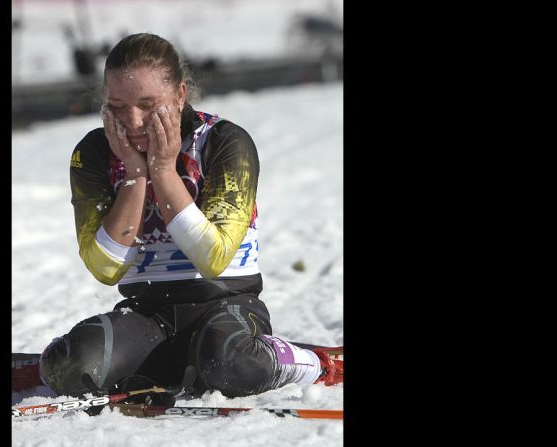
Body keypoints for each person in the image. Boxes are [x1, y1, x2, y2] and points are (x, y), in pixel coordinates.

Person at [36, 33, 342, 398]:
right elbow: (105, 268)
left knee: (228, 364)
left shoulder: (225, 142)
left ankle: (306, 361)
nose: (133, 122)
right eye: (117, 107)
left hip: (226, 304)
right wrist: (135, 175)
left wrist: (163, 171)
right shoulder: (94, 153)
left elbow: (212, 258)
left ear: (180, 95)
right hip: (147, 313)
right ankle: (158, 364)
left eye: (148, 105)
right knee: (72, 367)